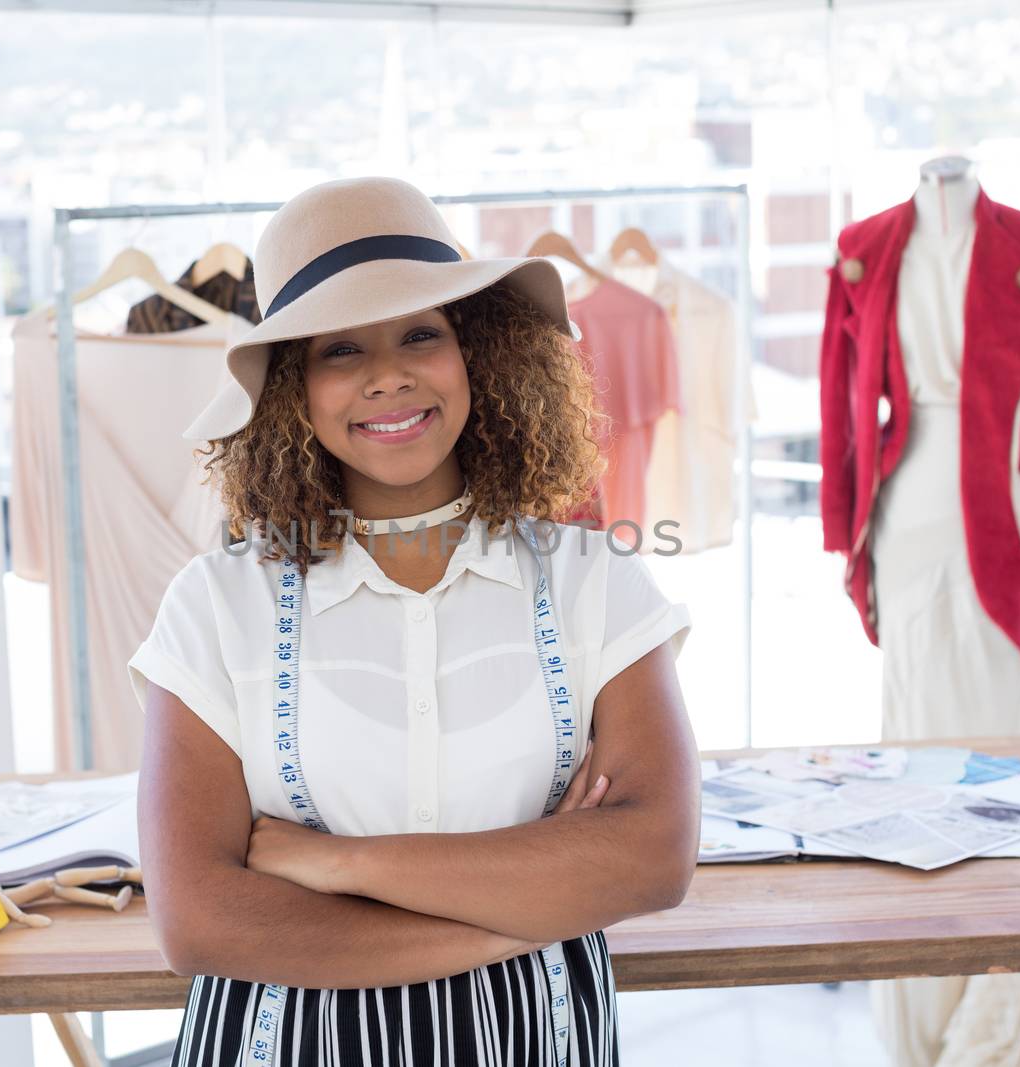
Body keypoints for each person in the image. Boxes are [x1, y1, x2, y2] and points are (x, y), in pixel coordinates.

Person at [129, 175, 699, 1066]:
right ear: (292, 389)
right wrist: (538, 900)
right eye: (341, 349)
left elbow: (654, 856)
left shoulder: (596, 581)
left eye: (421, 333)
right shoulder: (215, 607)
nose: (388, 374)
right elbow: (201, 921)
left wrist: (336, 863)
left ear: (480, 351)